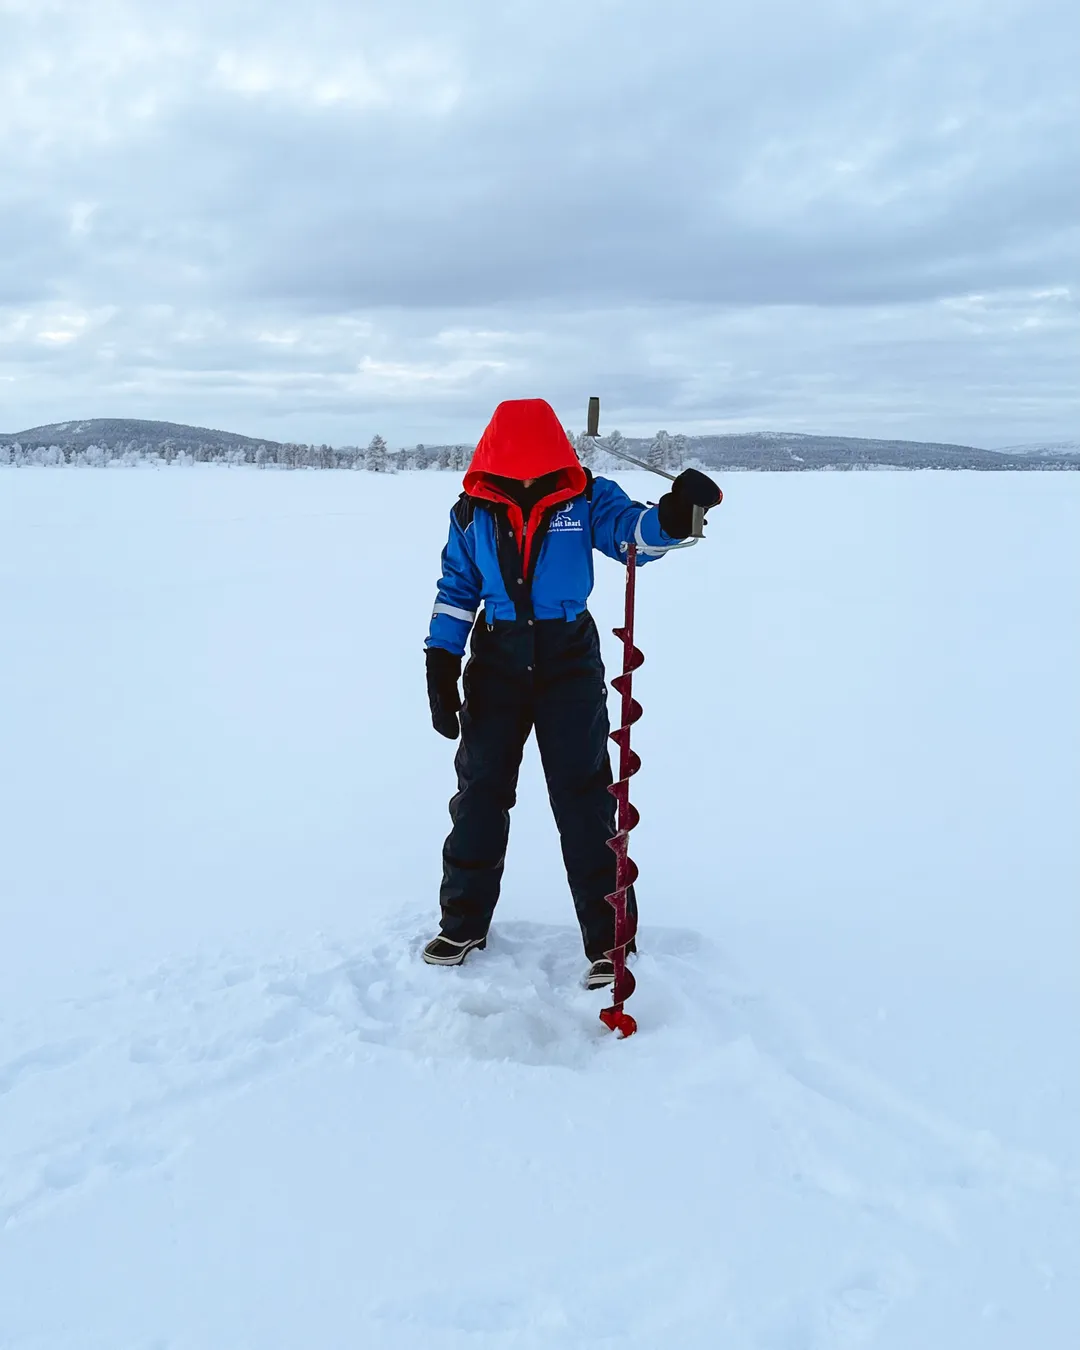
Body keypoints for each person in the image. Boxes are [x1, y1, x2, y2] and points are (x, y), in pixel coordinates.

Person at [422, 398, 720, 988]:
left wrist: (678, 510)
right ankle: (463, 923)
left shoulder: (585, 497)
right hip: (498, 658)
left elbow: (634, 536)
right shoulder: (471, 511)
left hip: (568, 658)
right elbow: (457, 589)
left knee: (585, 801)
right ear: (496, 457)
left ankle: (608, 940)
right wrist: (440, 660)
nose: (528, 476)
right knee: (480, 794)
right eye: (516, 465)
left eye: (539, 463)